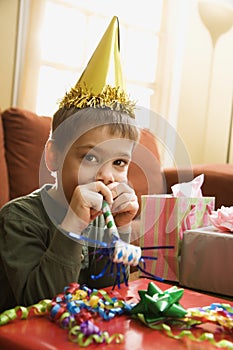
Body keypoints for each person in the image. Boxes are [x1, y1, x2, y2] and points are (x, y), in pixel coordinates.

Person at [0, 17, 140, 312]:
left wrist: (121, 230)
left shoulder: (102, 219)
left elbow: (108, 294)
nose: (106, 175)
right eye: (90, 157)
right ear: (53, 156)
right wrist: (73, 224)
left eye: (118, 162)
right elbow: (41, 306)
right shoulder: (19, 219)